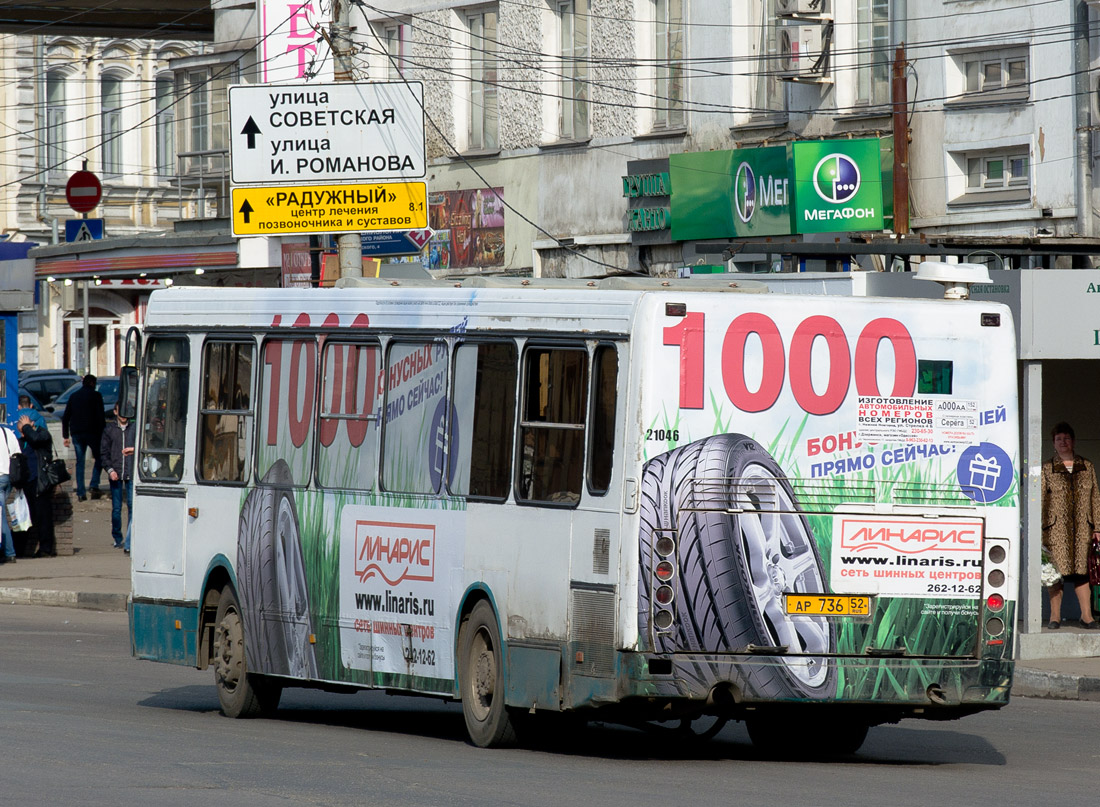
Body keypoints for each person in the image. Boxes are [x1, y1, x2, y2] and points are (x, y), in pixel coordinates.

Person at [1041, 421, 1100, 630]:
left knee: (1082, 574)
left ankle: (1086, 616)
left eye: (1066, 438)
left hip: (1083, 530)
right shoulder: (1047, 468)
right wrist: (1037, 529)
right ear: (1054, 443)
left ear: (1073, 441)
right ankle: (1054, 617)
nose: (1063, 442)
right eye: (1059, 439)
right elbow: (1039, 499)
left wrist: (1098, 528)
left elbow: (1095, 498)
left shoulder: (1087, 466)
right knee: (1055, 574)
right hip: (1055, 531)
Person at [16, 403, 56, 557]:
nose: (20, 427)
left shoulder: (43, 434)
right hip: (26, 482)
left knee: (43, 516)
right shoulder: (23, 439)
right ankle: (19, 549)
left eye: (23, 423)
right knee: (24, 517)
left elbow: (36, 439)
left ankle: (46, 548)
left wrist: (27, 427)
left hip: (40, 482)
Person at [61, 373, 106, 501]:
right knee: (100, 458)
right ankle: (94, 484)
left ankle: (81, 492)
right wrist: (104, 434)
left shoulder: (74, 396)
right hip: (93, 433)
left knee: (80, 462)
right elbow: (100, 416)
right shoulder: (96, 396)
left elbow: (66, 417)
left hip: (77, 433)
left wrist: (65, 435)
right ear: (92, 384)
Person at [101, 403, 135, 551]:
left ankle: (130, 538)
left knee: (132, 507)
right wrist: (110, 470)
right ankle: (117, 537)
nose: (123, 415)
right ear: (115, 412)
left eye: (126, 412)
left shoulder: (134, 428)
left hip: (130, 472)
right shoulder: (109, 430)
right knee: (116, 508)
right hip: (115, 472)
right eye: (120, 411)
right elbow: (104, 453)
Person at [0, 422, 21, 563]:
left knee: (0, 518)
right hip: (8, 477)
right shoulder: (7, 432)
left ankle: (9, 552)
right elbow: (17, 454)